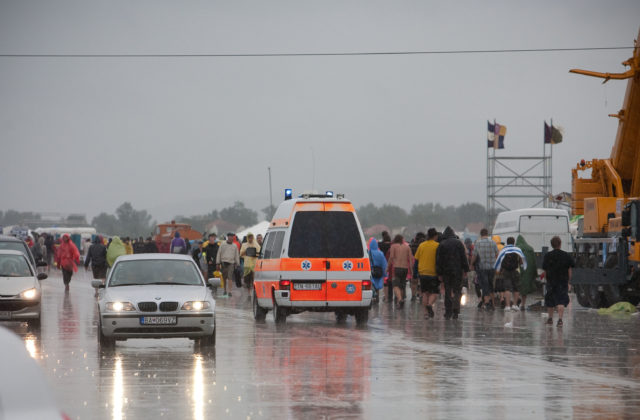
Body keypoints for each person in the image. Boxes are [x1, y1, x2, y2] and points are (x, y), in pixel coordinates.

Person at [436, 226, 469, 320]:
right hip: (457, 270)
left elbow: (439, 260)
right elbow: (463, 258)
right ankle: (456, 310)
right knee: (457, 290)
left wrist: (439, 273)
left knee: (447, 290)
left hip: (446, 271)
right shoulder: (458, 243)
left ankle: (448, 311)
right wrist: (465, 270)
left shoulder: (442, 244)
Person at [543, 236, 575, 327]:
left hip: (551, 281)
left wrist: (547, 280)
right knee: (561, 300)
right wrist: (568, 281)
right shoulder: (566, 255)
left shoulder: (548, 256)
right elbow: (570, 269)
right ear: (560, 244)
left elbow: (545, 270)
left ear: (551, 245)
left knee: (550, 300)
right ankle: (560, 320)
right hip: (562, 280)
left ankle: (550, 319)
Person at [494, 236, 526, 312]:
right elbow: (522, 261)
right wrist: (523, 266)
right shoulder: (517, 249)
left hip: (506, 271)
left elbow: (499, 260)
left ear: (507, 242)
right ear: (514, 242)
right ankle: (515, 305)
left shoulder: (503, 250)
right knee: (516, 288)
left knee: (507, 288)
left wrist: (498, 269)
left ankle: (507, 306)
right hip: (515, 271)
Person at [414, 228, 440, 319]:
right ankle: (429, 305)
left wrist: (415, 273)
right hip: (433, 273)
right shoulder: (437, 246)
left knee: (425, 293)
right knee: (435, 293)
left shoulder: (421, 245)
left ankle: (425, 313)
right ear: (435, 236)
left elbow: (416, 261)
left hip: (423, 273)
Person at [471, 228, 499, 311]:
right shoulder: (493, 243)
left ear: (481, 234)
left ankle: (487, 303)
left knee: (484, 285)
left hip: (482, 267)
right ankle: (492, 304)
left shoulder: (478, 243)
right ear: (487, 234)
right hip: (492, 267)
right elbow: (497, 254)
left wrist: (471, 264)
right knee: (491, 285)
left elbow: (474, 255)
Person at [388, 234, 413, 309]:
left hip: (396, 268)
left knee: (395, 286)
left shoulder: (393, 246)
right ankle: (401, 301)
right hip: (405, 269)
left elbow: (391, 257)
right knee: (402, 286)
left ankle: (400, 299)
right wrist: (411, 270)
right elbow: (411, 260)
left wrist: (387, 267)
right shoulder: (407, 247)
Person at [516, 235, 538, 310]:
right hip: (528, 270)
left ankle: (516, 303)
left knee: (516, 287)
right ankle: (523, 304)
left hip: (518, 270)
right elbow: (534, 261)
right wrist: (535, 272)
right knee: (525, 288)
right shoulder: (530, 248)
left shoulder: (517, 248)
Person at [216, 233, 240, 297]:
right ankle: (225, 290)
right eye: (230, 237)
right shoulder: (223, 244)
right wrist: (217, 263)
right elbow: (219, 253)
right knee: (224, 278)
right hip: (223, 262)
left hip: (231, 263)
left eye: (232, 237)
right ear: (227, 237)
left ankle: (229, 291)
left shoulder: (234, 246)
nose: (231, 238)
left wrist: (238, 263)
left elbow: (236, 255)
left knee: (230, 277)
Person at [368, 238, 388, 303]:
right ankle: (377, 298)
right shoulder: (380, 253)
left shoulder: (368, 253)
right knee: (377, 286)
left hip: (371, 271)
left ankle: (372, 298)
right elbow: (384, 263)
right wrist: (385, 273)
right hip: (379, 271)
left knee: (372, 285)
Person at [409, 232, 426, 302]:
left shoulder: (412, 246)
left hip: (413, 265)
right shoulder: (424, 246)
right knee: (421, 281)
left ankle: (413, 295)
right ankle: (421, 294)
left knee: (413, 281)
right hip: (423, 265)